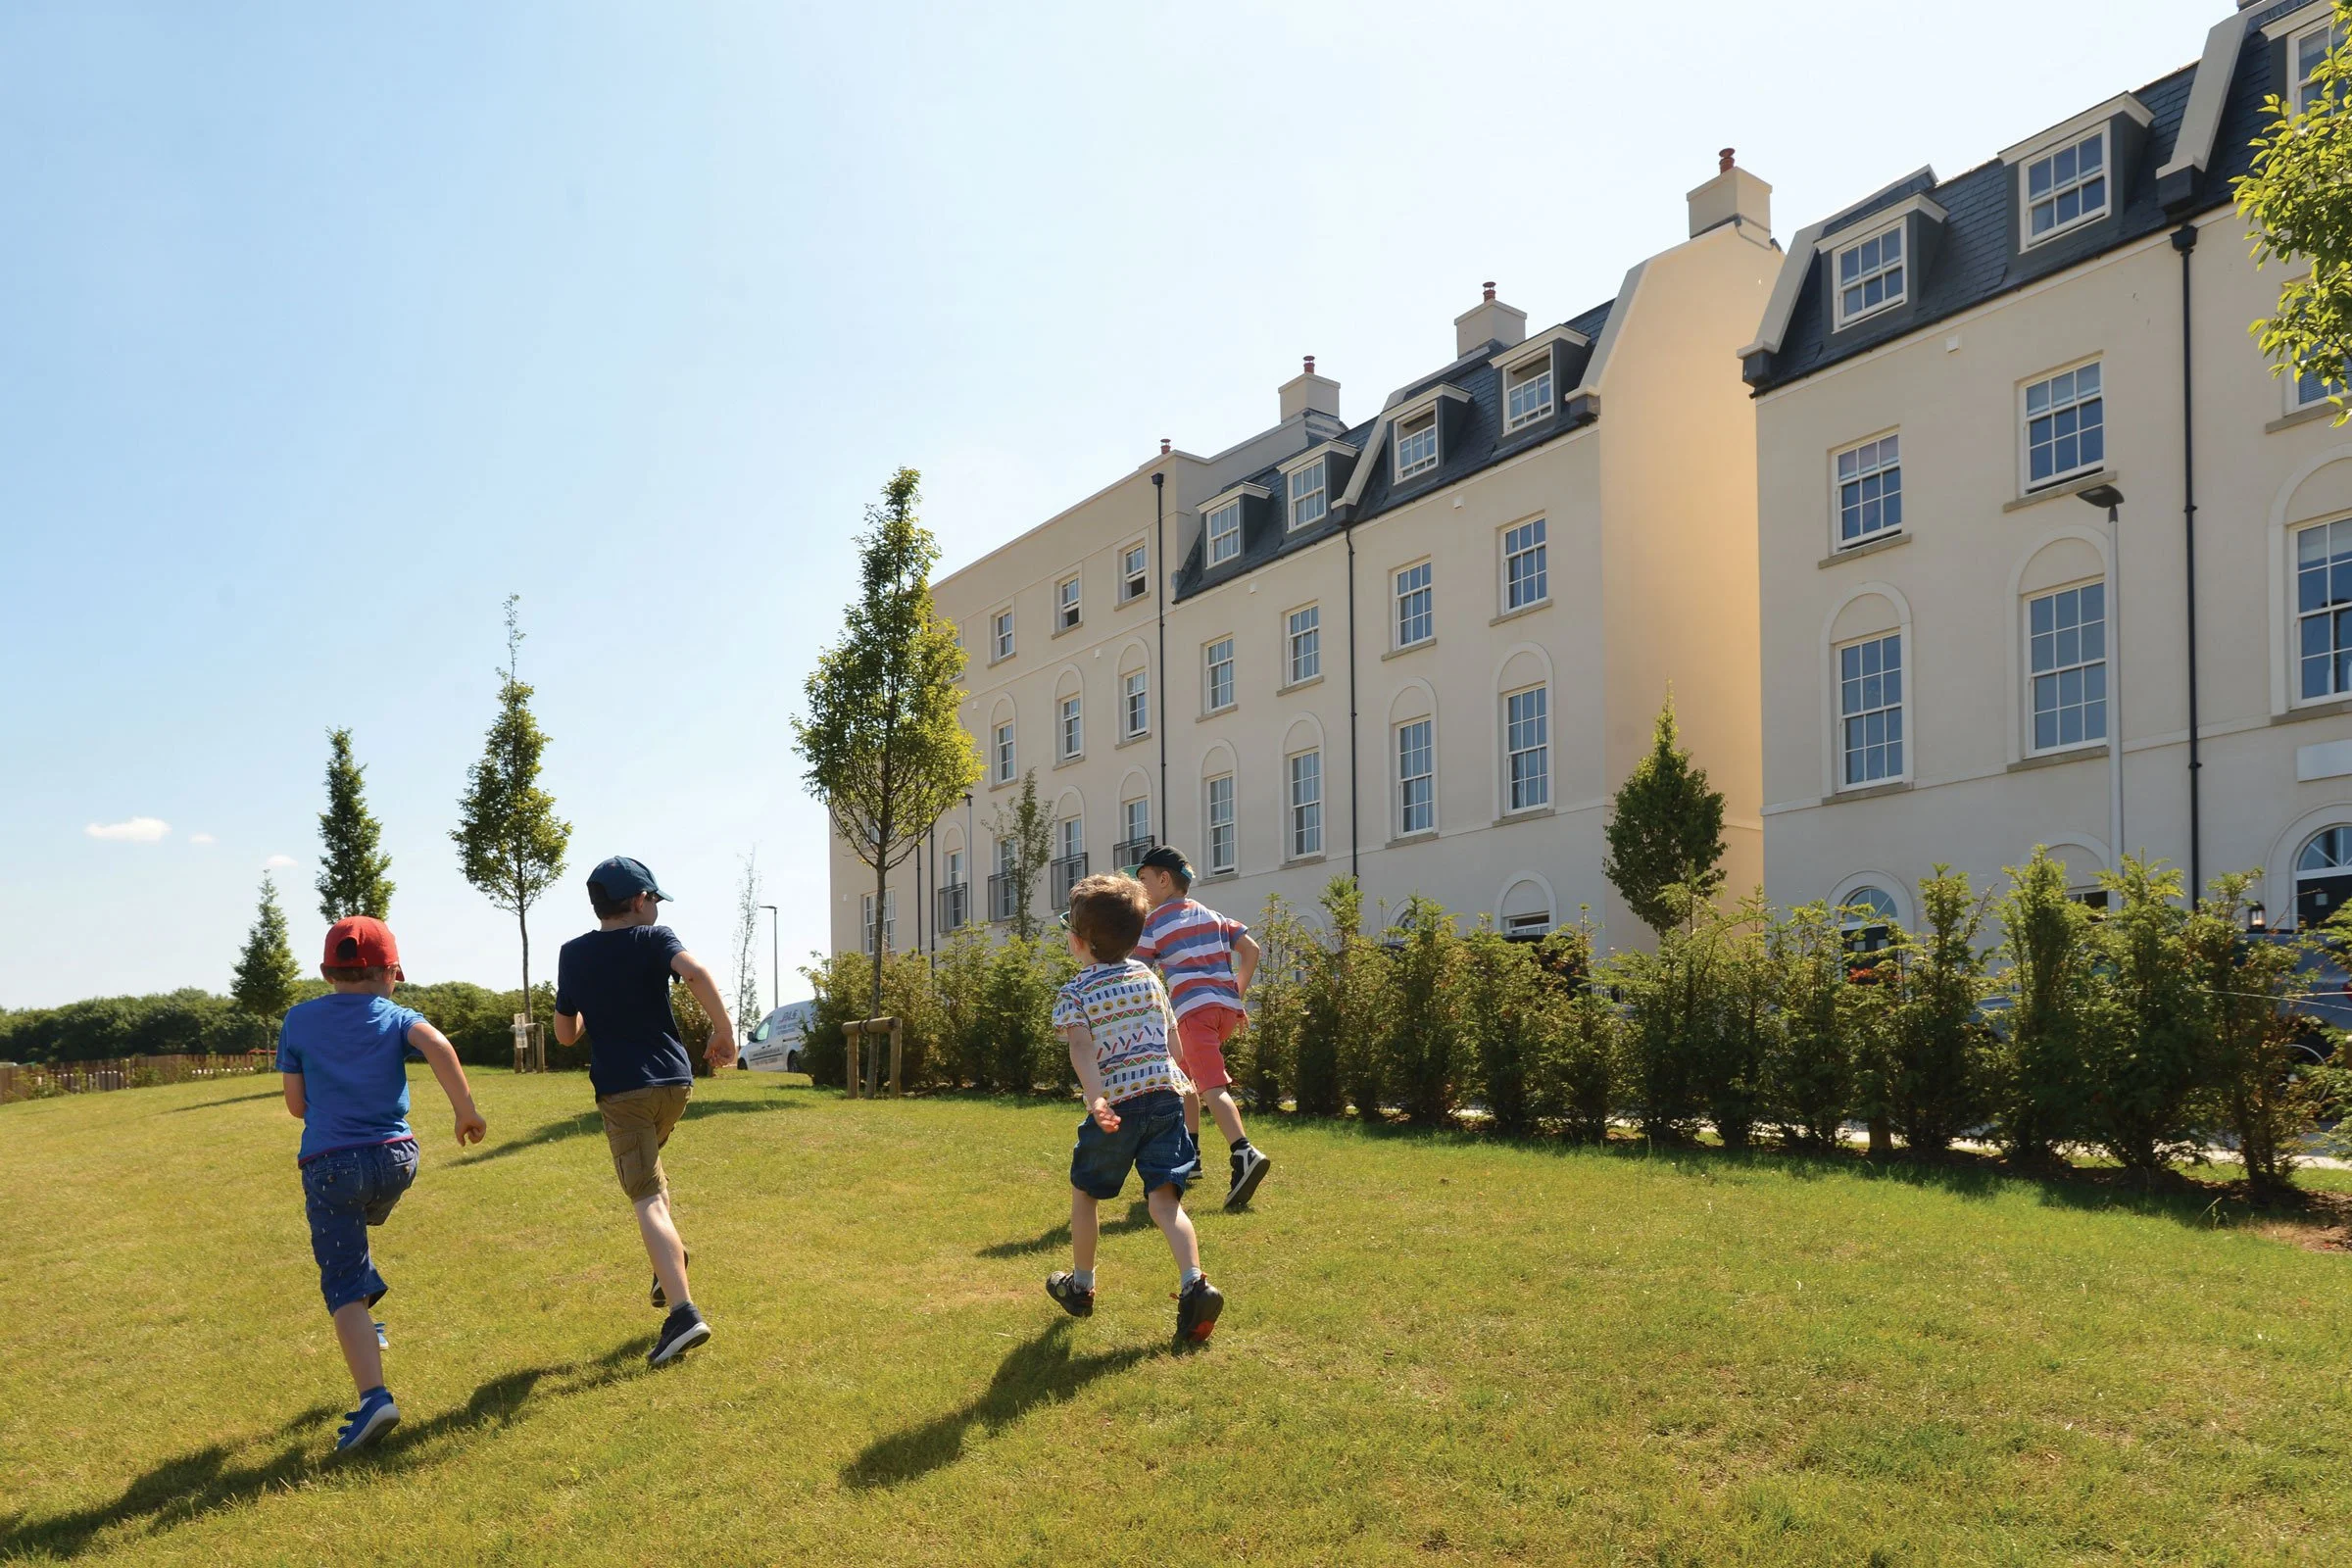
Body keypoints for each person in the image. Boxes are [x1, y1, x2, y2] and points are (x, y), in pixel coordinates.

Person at [278, 915, 487, 1452]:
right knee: (357, 1225)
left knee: (343, 1279)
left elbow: (296, 1106)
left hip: (330, 1163)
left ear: (328, 972)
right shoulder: (397, 1016)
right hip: (396, 1160)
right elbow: (439, 1045)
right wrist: (464, 1110)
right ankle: (369, 1321)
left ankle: (374, 1397)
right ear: (391, 970)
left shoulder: (299, 1021)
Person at [552, 856, 738, 1368]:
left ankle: (682, 1313)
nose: (655, 908)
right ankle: (668, 1264)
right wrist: (723, 1030)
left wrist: (593, 1006)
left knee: (646, 1198)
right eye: (654, 899)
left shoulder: (573, 954)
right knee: (653, 1175)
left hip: (623, 1091)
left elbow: (566, 1034)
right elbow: (695, 972)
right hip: (675, 1085)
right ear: (638, 901)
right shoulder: (656, 939)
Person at [1044, 872, 1225, 1348]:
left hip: (1117, 1106)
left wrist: (1096, 1097)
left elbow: (1081, 1049)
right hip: (1165, 1096)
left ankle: (1081, 1285)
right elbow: (1172, 1041)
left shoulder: (1076, 992)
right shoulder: (1148, 978)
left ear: (1078, 941)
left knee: (1087, 1192)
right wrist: (1183, 1083)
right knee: (1165, 1200)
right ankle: (1194, 1282)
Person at [1128, 845, 1270, 1210]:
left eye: (1142, 880)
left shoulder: (1155, 923)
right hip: (1224, 1011)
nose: (1140, 888)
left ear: (1164, 880)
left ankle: (1244, 1153)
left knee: (1211, 1087)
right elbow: (1251, 950)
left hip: (1192, 1012)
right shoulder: (1213, 915)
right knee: (1185, 1079)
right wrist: (1234, 993)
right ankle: (1189, 1157)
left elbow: (1137, 970)